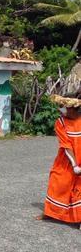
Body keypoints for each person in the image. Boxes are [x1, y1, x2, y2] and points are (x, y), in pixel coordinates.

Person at [37, 92, 81, 226]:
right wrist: (74, 165)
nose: (60, 109)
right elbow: (66, 144)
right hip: (66, 160)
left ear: (72, 108)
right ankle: (51, 212)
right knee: (57, 181)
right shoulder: (60, 122)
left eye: (63, 106)